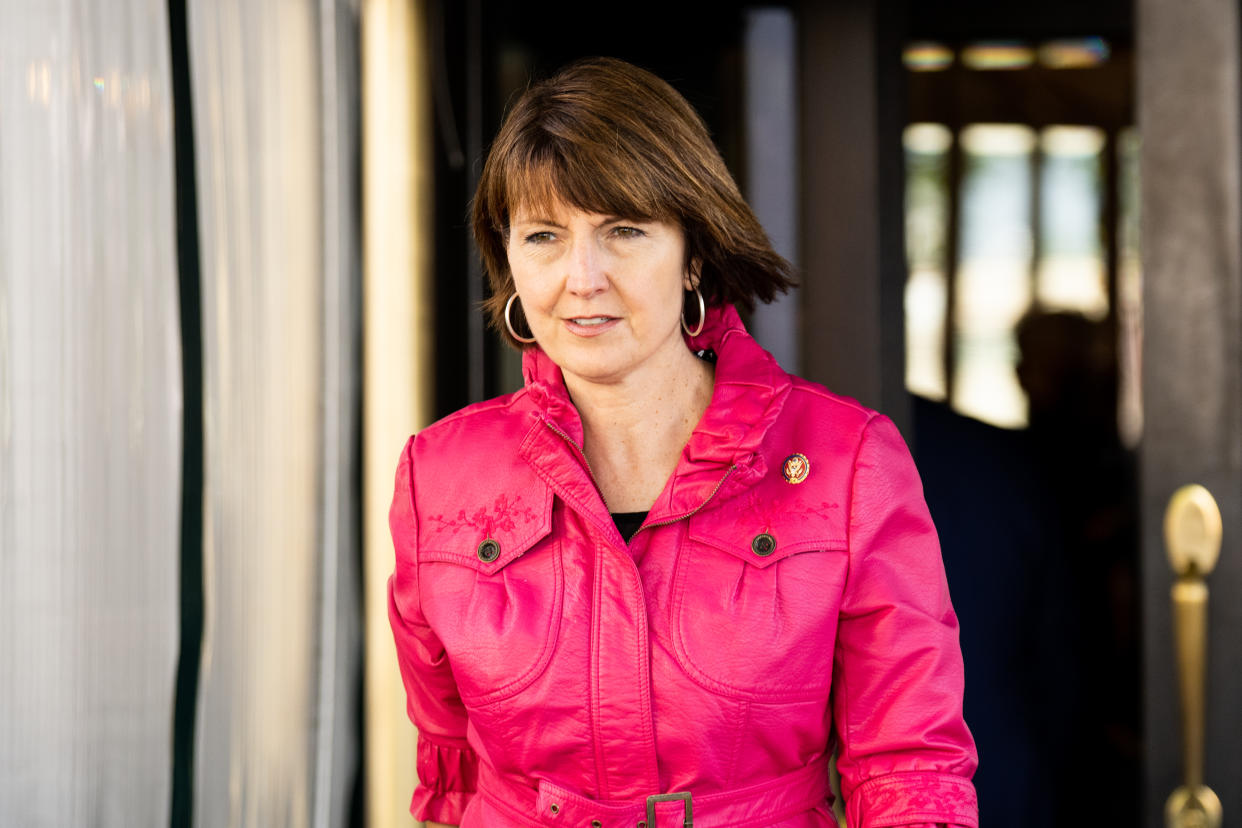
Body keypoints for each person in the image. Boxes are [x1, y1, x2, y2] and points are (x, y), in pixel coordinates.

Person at [388, 57, 977, 828]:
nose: (582, 276)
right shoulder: (442, 475)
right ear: (508, 260)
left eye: (624, 231)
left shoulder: (847, 461)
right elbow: (451, 776)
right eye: (543, 236)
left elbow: (909, 768)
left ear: (694, 249)